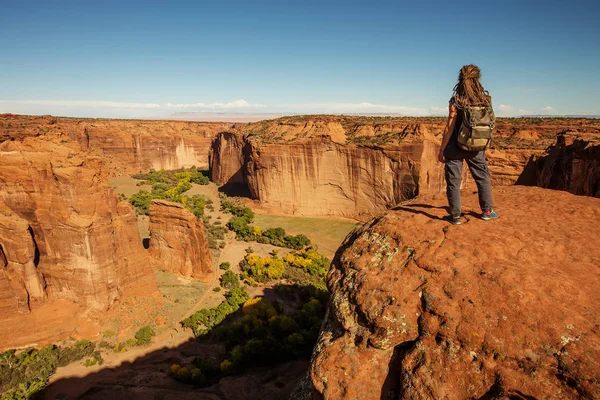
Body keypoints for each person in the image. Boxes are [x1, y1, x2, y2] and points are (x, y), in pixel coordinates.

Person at [438, 64, 498, 225]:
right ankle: (487, 211)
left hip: (454, 148)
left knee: (453, 182)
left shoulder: (456, 100)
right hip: (476, 147)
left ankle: (455, 216)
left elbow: (449, 127)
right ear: (478, 79)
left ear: (460, 79)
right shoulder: (485, 100)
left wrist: (442, 149)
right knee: (482, 178)